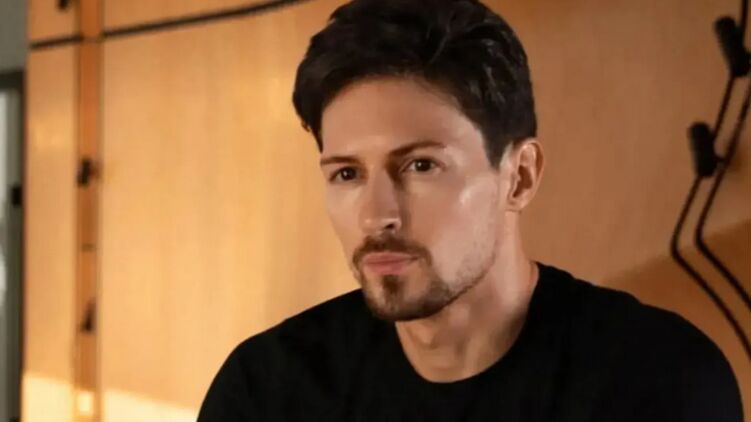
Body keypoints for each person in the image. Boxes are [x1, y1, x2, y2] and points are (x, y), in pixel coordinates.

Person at [198, 0, 744, 420]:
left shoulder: (659, 381)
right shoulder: (267, 391)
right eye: (347, 174)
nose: (376, 216)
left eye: (420, 166)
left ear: (519, 177)